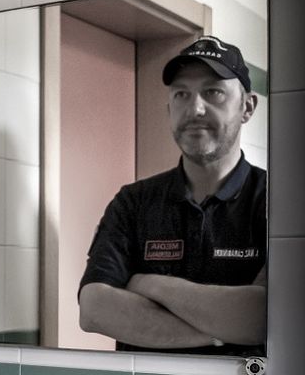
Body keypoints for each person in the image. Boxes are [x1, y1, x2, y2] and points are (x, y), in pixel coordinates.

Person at [78, 35, 267, 356]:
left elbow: (259, 318)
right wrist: (223, 329)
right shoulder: (133, 202)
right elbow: (95, 309)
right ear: (169, 108)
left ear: (246, 107)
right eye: (182, 94)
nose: (195, 108)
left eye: (213, 92)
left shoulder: (277, 203)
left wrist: (149, 283)